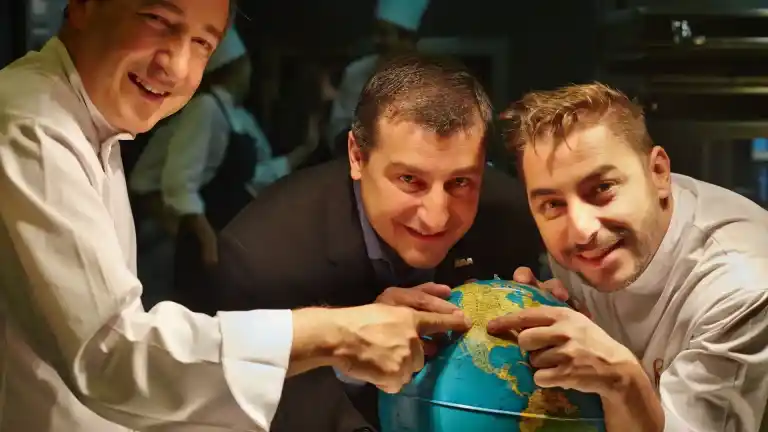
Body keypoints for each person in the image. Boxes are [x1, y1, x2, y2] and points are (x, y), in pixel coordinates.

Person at [0, 1, 471, 430]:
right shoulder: (32, 124)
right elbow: (111, 356)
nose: (176, 67)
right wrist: (337, 334)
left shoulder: (93, 123)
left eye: (202, 44)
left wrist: (348, 332)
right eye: (157, 21)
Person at [207, 53, 544, 430]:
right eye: (410, 180)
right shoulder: (263, 254)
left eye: (460, 182)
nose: (436, 217)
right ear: (357, 156)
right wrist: (347, 351)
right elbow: (258, 406)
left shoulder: (513, 216)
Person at [488, 83, 768, 431]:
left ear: (659, 173)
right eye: (552, 204)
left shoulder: (741, 287)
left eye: (602, 189)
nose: (582, 231)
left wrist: (621, 379)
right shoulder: (584, 242)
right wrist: (551, 307)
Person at [326, 0, 429, 155]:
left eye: (383, 34)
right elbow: (337, 130)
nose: (376, 40)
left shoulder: (430, 78)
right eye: (376, 33)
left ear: (407, 40)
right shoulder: (356, 73)